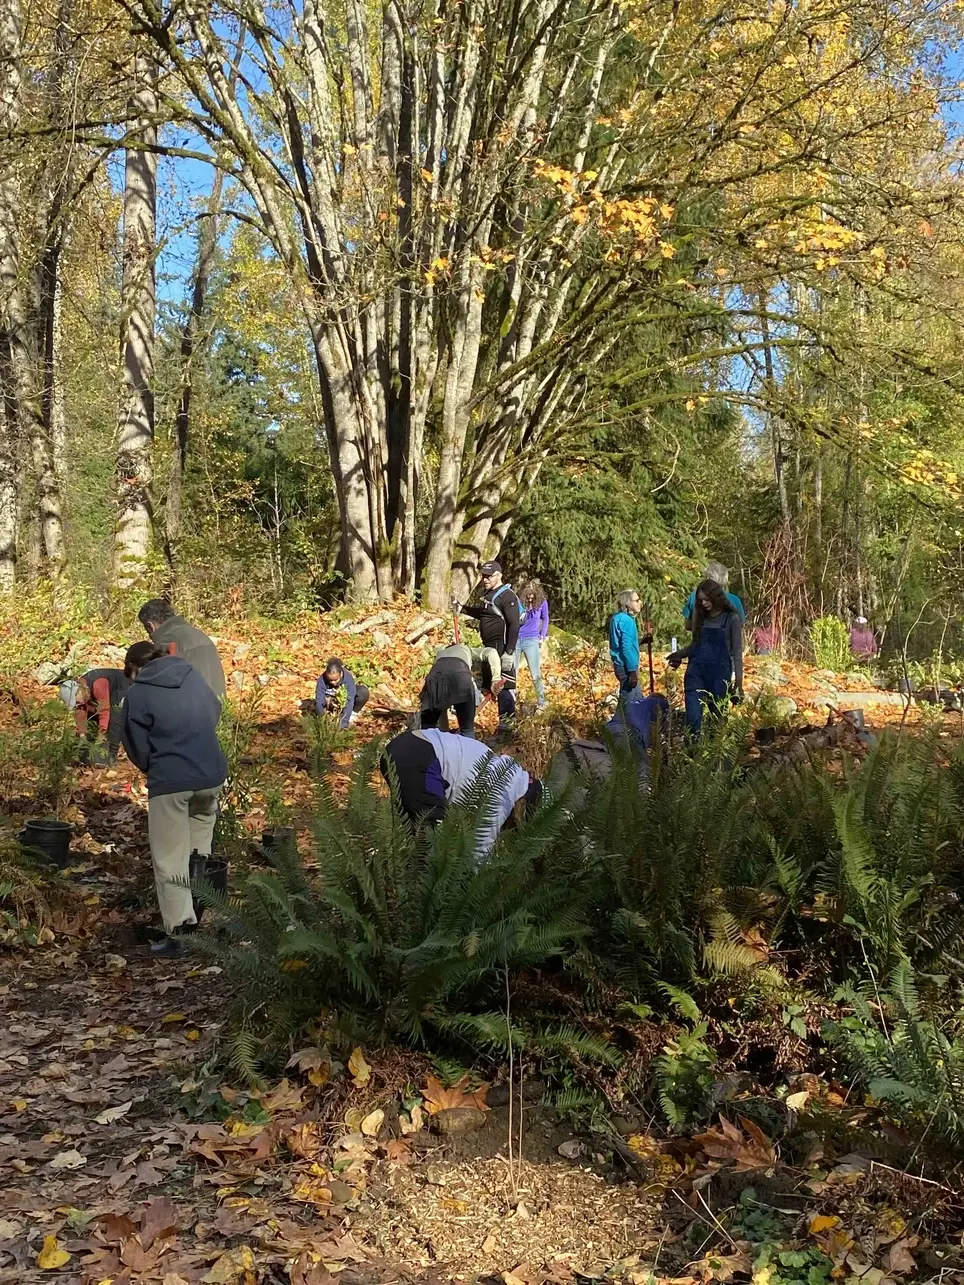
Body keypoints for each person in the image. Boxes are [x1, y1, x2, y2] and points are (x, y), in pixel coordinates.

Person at [122, 644, 228, 958]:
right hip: (212, 775)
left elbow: (136, 746)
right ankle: (196, 919)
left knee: (170, 858)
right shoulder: (192, 675)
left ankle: (179, 933)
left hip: (172, 781)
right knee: (198, 850)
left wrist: (155, 767)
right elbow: (214, 712)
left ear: (133, 668)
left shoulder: (138, 693)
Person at [380, 728, 542, 862]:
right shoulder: (501, 796)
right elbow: (478, 853)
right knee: (434, 843)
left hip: (407, 745)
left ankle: (403, 882)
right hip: (420, 758)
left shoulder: (506, 772)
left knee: (420, 835)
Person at [60, 641, 157, 765]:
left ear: (79, 690)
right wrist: (82, 736)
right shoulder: (80, 692)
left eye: (76, 700)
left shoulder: (98, 684)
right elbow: (80, 713)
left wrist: (101, 735)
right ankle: (90, 755)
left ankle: (111, 756)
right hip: (107, 694)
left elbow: (104, 712)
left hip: (122, 685)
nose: (77, 703)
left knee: (116, 717)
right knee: (90, 717)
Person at [668, 579, 744, 736]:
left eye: (706, 599)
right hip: (696, 673)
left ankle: (715, 759)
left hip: (719, 676)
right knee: (693, 719)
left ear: (716, 597)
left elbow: (737, 653)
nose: (703, 603)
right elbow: (695, 645)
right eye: (700, 600)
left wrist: (738, 683)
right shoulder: (700, 616)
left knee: (718, 722)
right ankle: (691, 754)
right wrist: (678, 654)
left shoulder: (731, 619)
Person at [454, 561, 523, 732]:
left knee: (504, 687)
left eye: (489, 576)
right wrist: (463, 608)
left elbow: (514, 624)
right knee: (488, 686)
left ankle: (507, 728)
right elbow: (483, 614)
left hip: (503, 646)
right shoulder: (489, 595)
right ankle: (469, 726)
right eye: (483, 576)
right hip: (489, 648)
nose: (485, 579)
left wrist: (509, 652)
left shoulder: (507, 596)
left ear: (499, 575)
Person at [137, 599, 226, 699]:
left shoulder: (168, 639)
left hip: (192, 708)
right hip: (217, 706)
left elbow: (163, 683)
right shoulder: (198, 633)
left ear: (150, 626)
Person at [419, 644, 480, 737]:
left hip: (435, 675)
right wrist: (495, 679)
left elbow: (440, 706)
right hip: (461, 673)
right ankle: (469, 747)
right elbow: (490, 653)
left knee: (428, 727)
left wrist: (445, 733)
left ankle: (427, 747)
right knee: (467, 729)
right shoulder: (468, 650)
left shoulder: (440, 654)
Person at [682, 562, 745, 631]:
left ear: (708, 578)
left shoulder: (694, 597)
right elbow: (740, 626)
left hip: (702, 640)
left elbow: (687, 625)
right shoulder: (735, 600)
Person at [516, 580, 549, 710]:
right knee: (513, 672)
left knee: (535, 673)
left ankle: (541, 701)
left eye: (533, 594)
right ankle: (510, 700)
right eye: (528, 594)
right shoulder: (519, 603)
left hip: (532, 640)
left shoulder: (542, 603)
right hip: (517, 639)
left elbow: (545, 619)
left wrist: (542, 635)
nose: (530, 597)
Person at [316, 658, 369, 728]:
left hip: (343, 702)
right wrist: (323, 720)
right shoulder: (321, 680)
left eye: (335, 680)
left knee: (363, 692)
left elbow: (349, 700)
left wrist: (343, 724)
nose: (333, 683)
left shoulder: (348, 678)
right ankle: (330, 715)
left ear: (341, 674)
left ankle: (351, 715)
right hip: (330, 702)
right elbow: (319, 701)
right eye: (330, 680)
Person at [609, 589, 642, 694]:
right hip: (627, 667)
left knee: (637, 700)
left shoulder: (617, 618)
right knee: (629, 703)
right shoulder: (627, 620)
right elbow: (626, 648)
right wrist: (632, 671)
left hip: (620, 665)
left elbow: (619, 642)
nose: (640, 602)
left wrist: (641, 641)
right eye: (636, 600)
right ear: (628, 603)